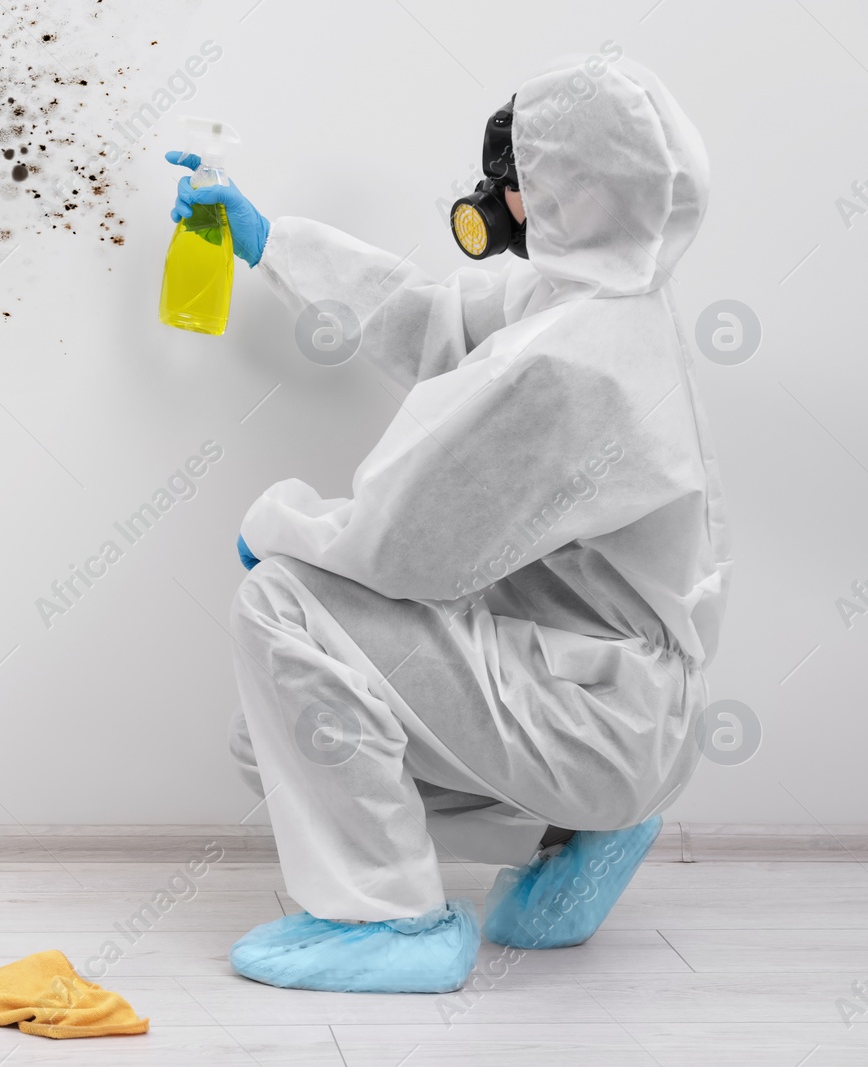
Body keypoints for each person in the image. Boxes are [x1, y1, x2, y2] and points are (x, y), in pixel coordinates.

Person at [168, 55, 730, 993]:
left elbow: (406, 548)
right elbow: (432, 320)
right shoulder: (600, 304)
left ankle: (391, 920)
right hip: (607, 700)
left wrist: (283, 528)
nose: (499, 201)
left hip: (592, 712)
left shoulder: (573, 363)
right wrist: (273, 245)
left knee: (283, 601)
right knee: (274, 737)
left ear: (563, 193)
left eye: (516, 182)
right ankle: (573, 835)